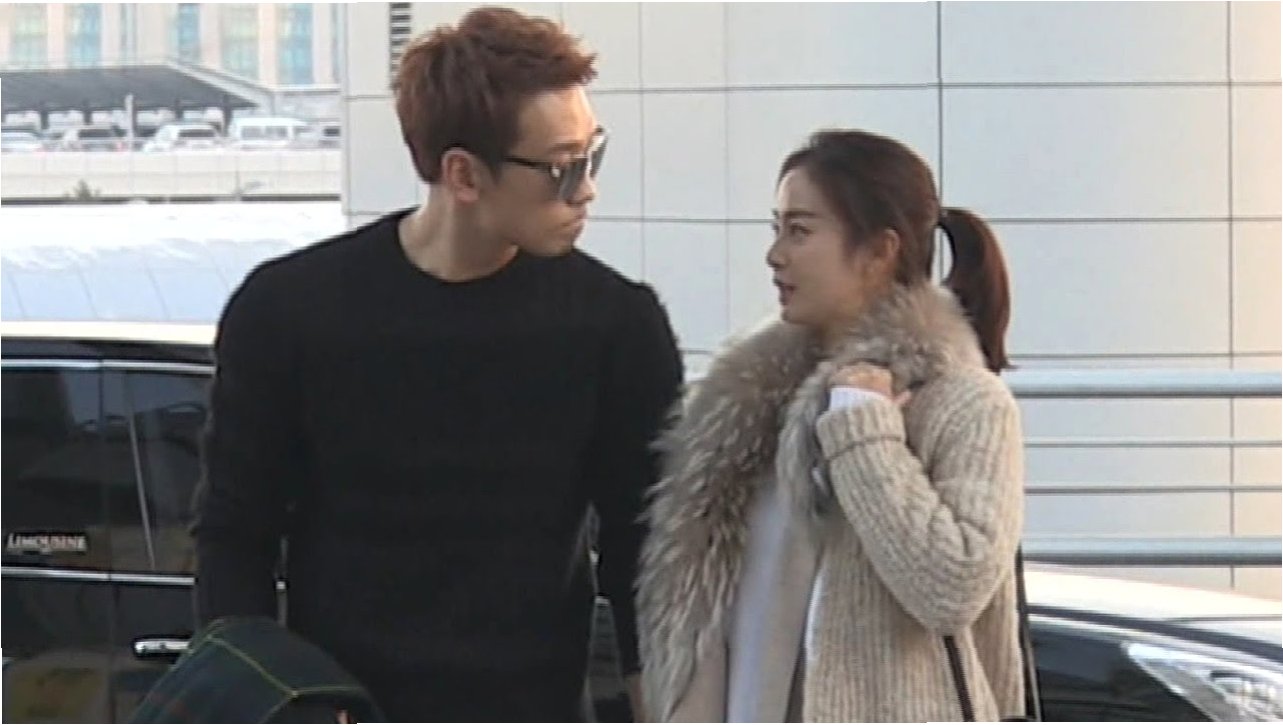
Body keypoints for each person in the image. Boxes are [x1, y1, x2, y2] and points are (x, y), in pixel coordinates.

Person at [193, 6, 683, 721]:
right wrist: (272, 702)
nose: (586, 189)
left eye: (592, 154)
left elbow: (644, 548)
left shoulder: (616, 325)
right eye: (561, 168)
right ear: (463, 174)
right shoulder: (287, 312)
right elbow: (235, 534)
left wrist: (663, 705)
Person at [637, 129, 1027, 722]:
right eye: (776, 229)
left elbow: (951, 589)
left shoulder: (965, 402)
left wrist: (864, 429)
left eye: (800, 231)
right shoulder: (749, 406)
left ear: (879, 251)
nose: (775, 255)